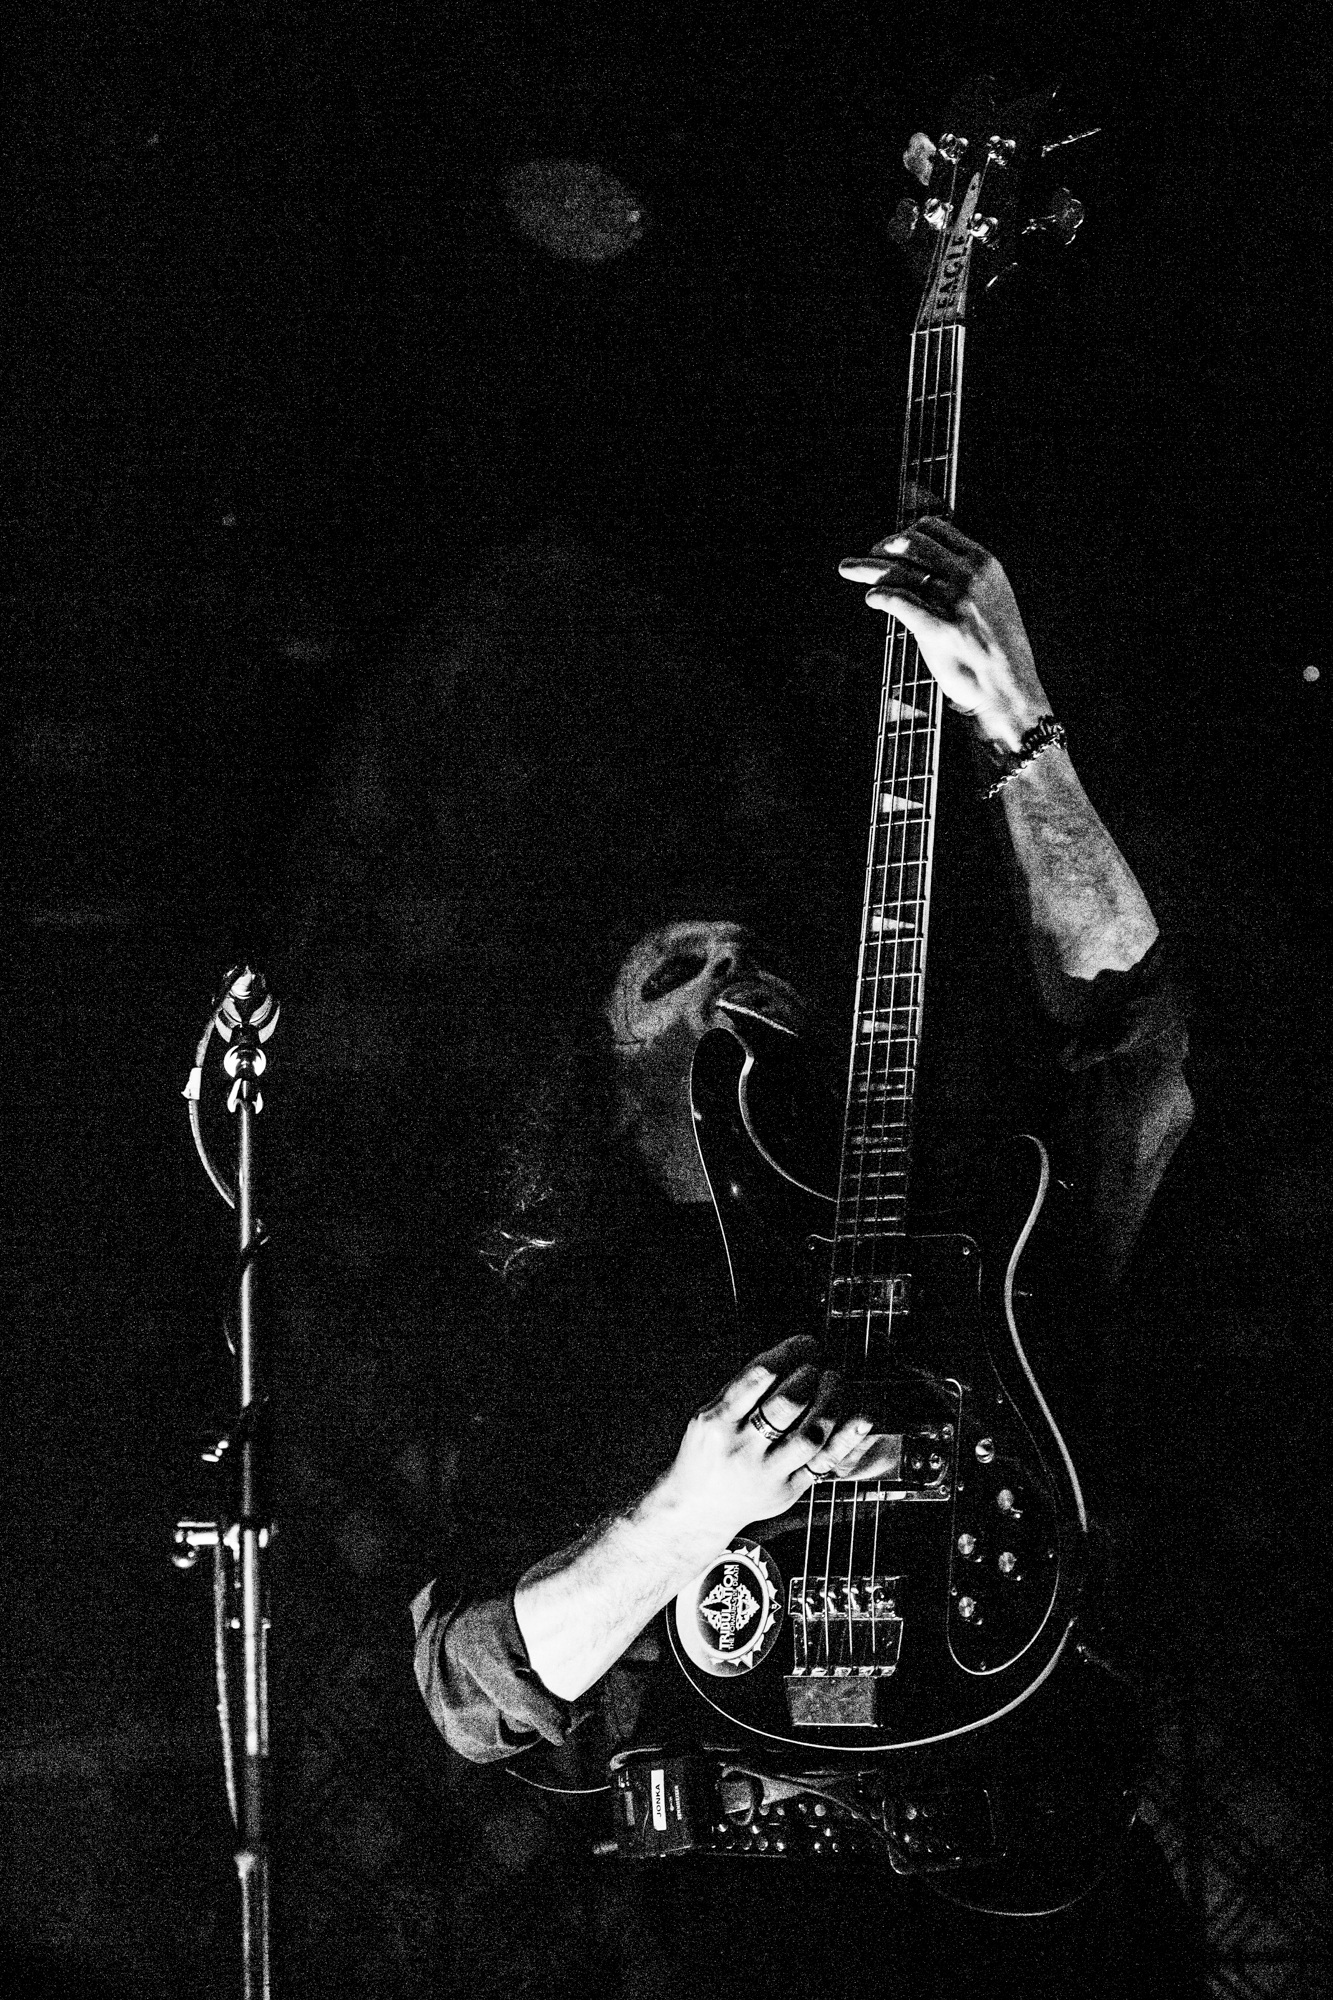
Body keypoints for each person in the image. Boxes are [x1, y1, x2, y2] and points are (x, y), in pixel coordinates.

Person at [407, 516, 1201, 1998]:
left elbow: (1130, 1037)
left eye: (751, 956)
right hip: (738, 1928)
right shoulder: (567, 1310)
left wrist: (1017, 724)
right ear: (601, 1060)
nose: (727, 983)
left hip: (1041, 1902)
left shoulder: (972, 1221)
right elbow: (474, 1689)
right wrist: (688, 1513)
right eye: (675, 967)